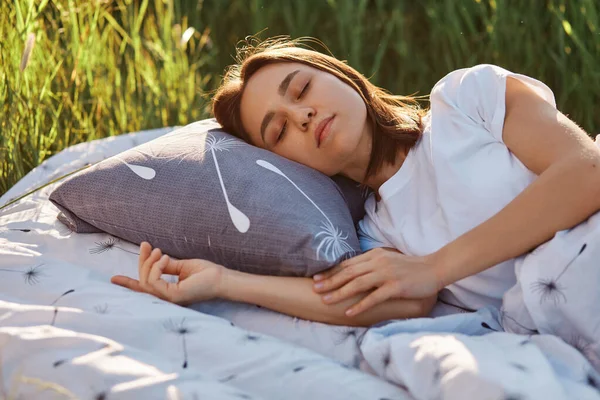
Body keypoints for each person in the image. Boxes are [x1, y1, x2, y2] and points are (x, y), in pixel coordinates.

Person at [111, 36, 600, 327]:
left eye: (301, 88)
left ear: (339, 74)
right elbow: (395, 299)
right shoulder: (375, 232)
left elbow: (586, 170)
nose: (302, 115)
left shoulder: (465, 100)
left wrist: (436, 267)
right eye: (278, 131)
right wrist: (223, 282)